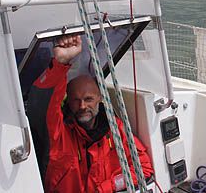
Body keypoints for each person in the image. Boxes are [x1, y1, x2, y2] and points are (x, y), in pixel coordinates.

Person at [27, 35, 154, 193]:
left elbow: (144, 168)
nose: (82, 106)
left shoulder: (115, 129)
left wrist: (106, 187)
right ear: (67, 101)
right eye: (75, 100)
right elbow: (44, 104)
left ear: (100, 98)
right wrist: (61, 63)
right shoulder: (59, 134)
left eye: (88, 99)